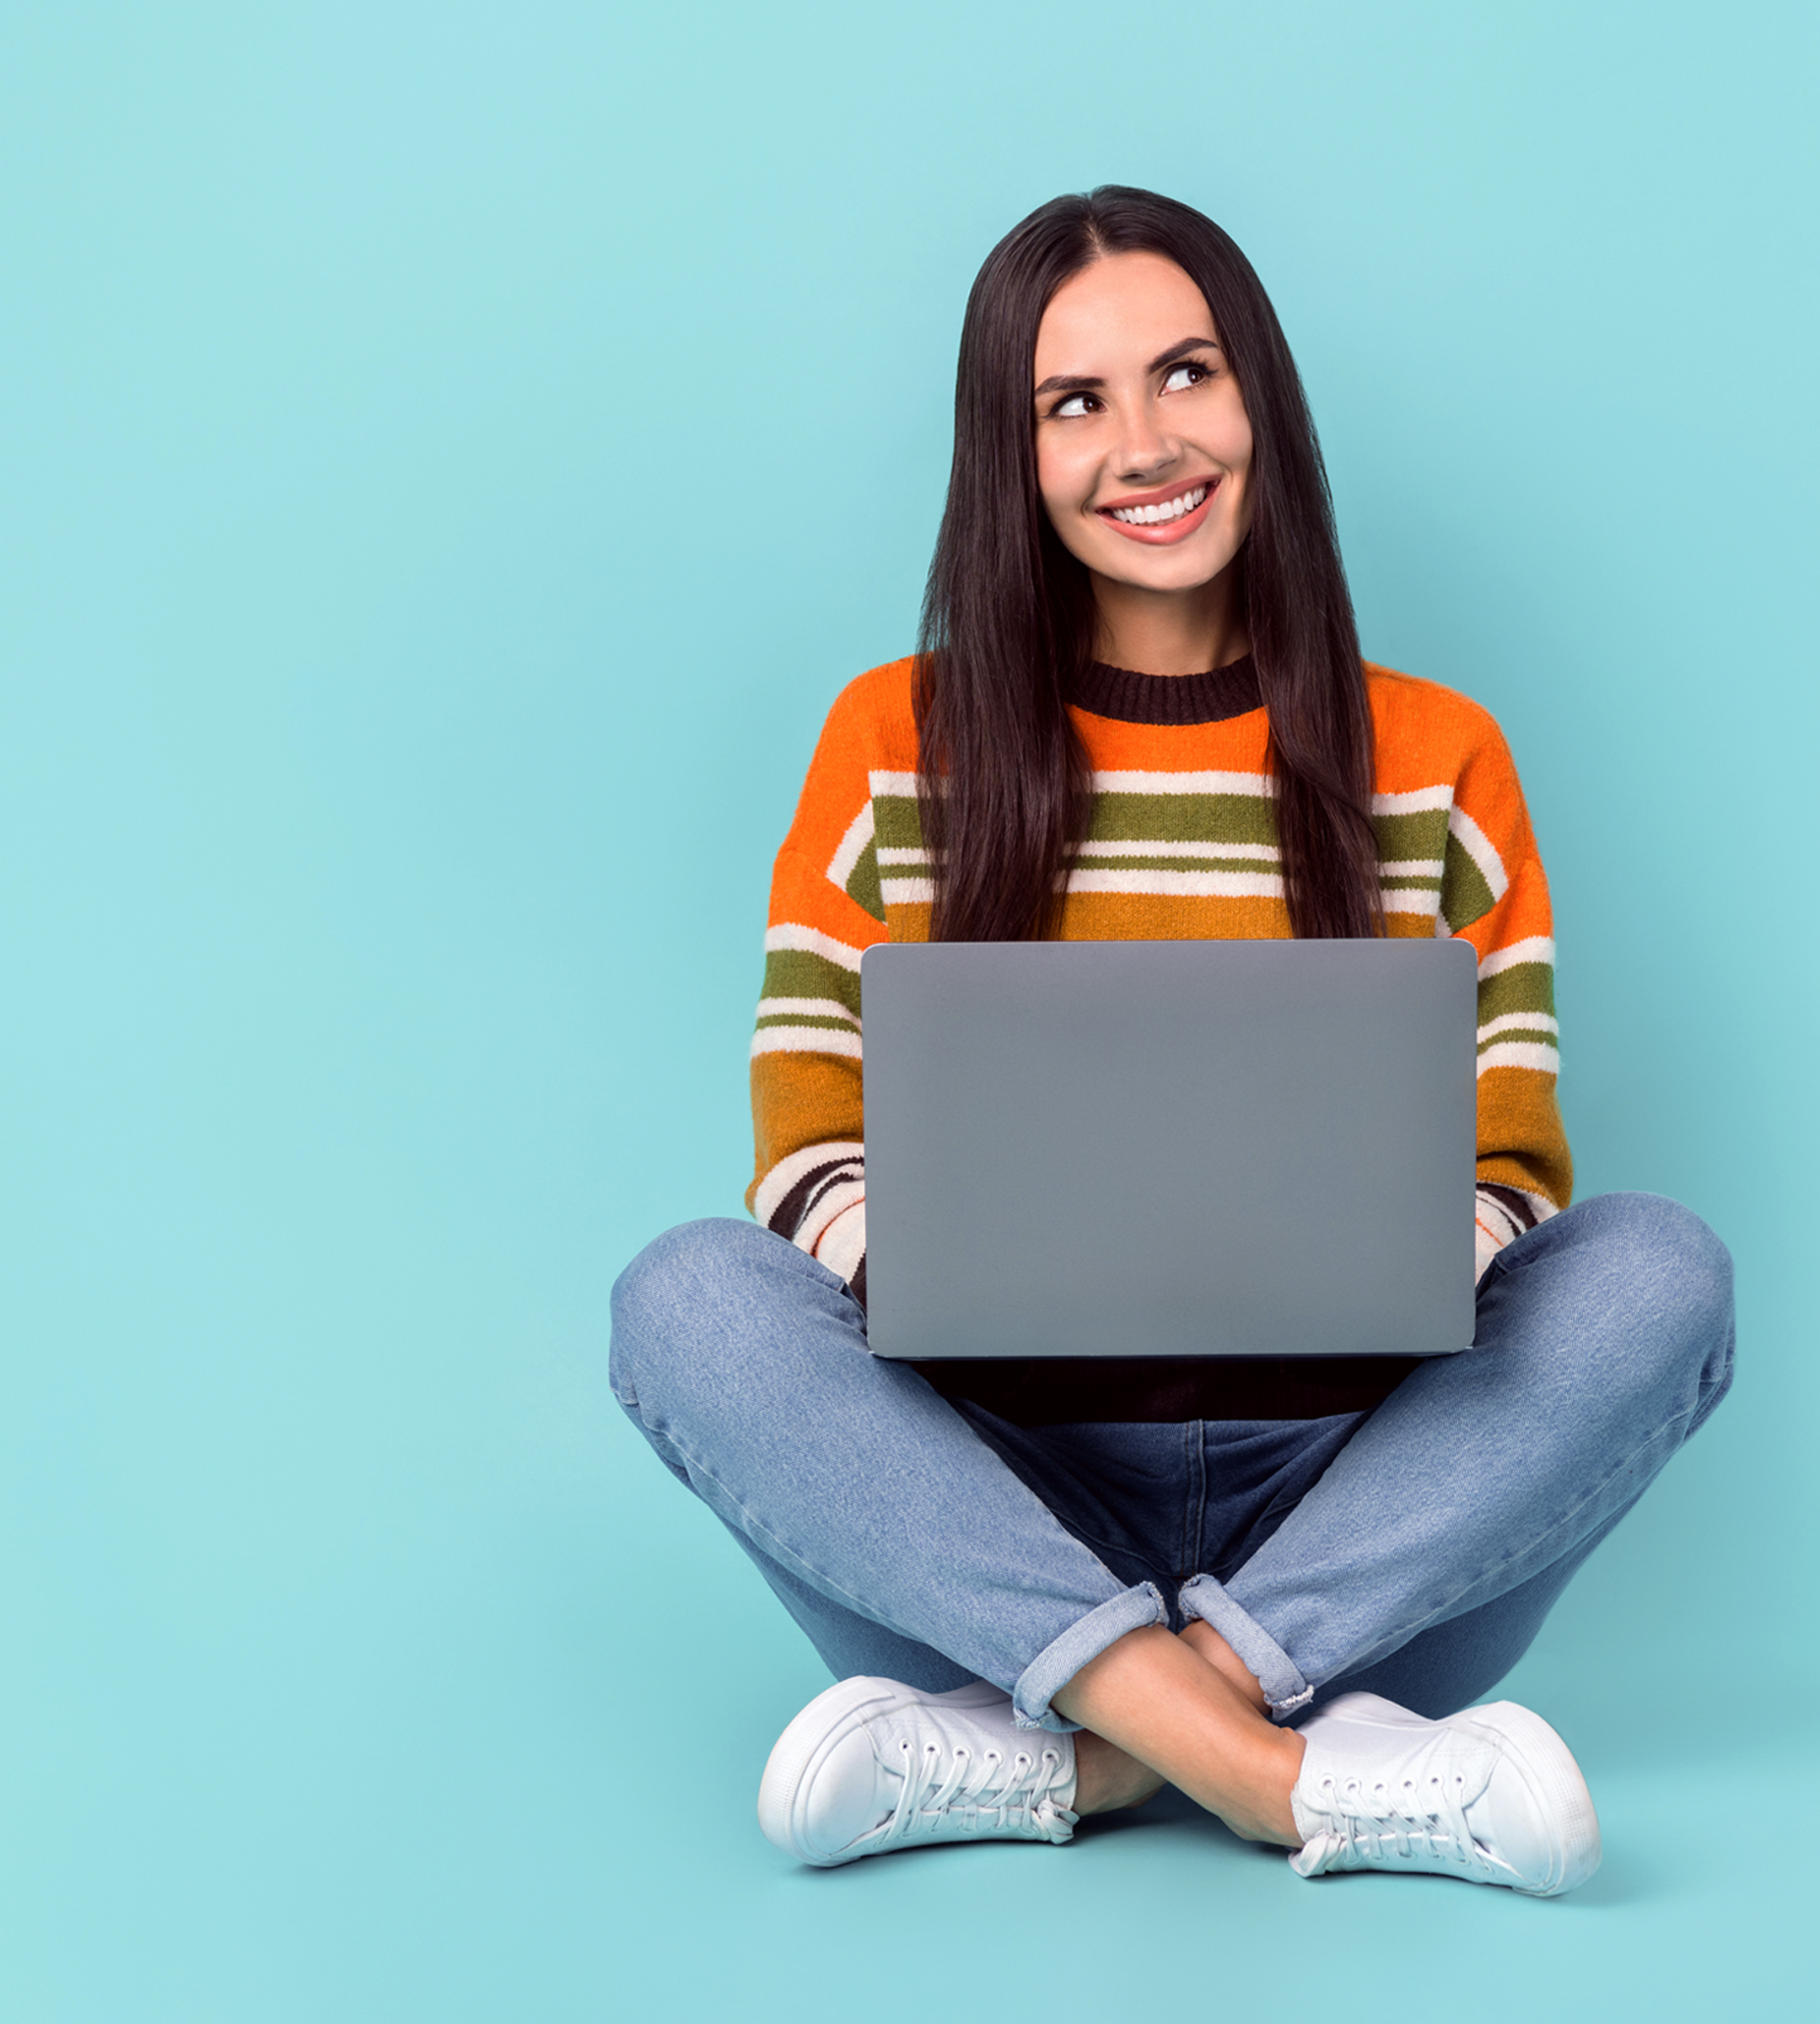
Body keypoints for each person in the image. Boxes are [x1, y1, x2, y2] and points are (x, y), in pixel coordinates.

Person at [608, 186, 1735, 1897]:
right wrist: (933, 1266)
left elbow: (1510, 1164)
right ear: (1016, 456)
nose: (1145, 444)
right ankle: (1297, 1785)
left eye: (1186, 374)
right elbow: (802, 1146)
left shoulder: (1439, 758)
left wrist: (1416, 1251)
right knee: (683, 1298)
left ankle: (1074, 1757)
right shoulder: (888, 743)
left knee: (1658, 1271)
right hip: (987, 1501)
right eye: (1076, 404)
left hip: (1356, 1524)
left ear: (1259, 397)